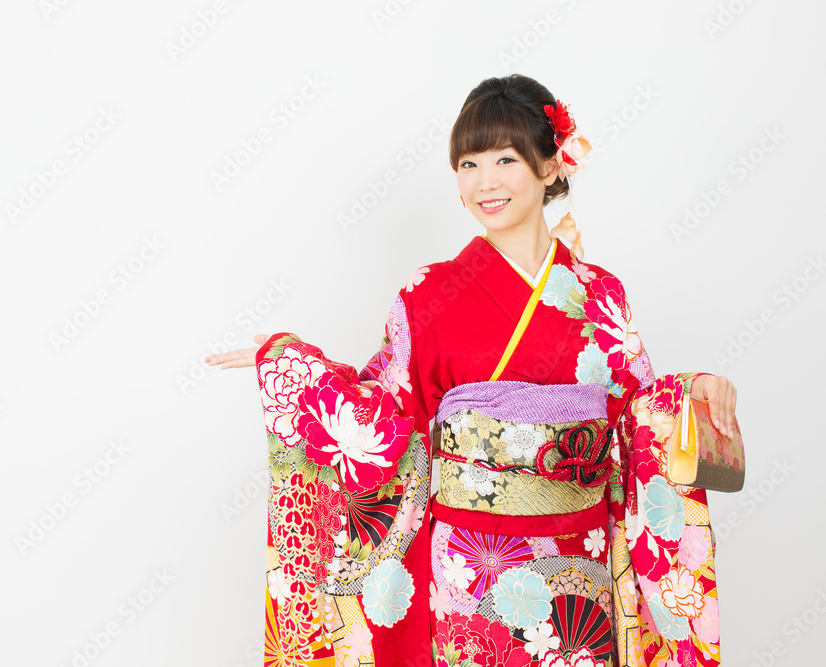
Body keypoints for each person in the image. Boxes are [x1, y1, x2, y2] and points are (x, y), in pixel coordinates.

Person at [205, 74, 737, 667]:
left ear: (552, 165)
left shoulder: (600, 296)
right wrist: (292, 367)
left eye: (506, 159)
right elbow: (382, 418)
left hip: (578, 564)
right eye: (468, 163)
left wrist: (691, 393)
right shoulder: (427, 295)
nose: (485, 182)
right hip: (471, 570)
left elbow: (637, 421)